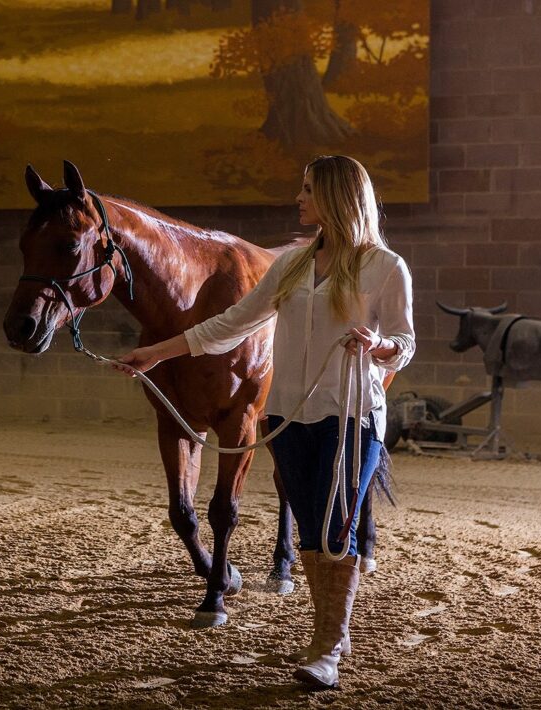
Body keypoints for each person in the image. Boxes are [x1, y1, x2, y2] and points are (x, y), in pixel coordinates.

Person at [113, 155, 415, 690]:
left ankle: (326, 650)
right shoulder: (292, 266)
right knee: (312, 534)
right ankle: (334, 631)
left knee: (333, 530)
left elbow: (405, 345)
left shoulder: (385, 267)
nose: (298, 199)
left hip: (350, 414)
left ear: (338, 199)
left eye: (308, 190)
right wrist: (158, 352)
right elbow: (232, 323)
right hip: (290, 415)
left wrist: (380, 346)